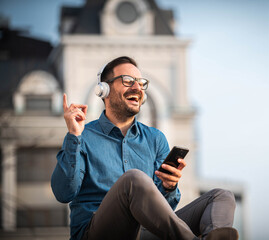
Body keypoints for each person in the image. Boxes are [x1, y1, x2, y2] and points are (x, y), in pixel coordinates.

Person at [51, 56, 238, 240]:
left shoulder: (155, 139)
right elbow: (63, 193)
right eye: (128, 81)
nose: (137, 88)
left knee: (221, 197)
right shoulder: (82, 136)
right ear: (104, 90)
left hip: (144, 232)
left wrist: (169, 186)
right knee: (133, 179)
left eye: (141, 83)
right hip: (96, 232)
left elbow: (164, 211)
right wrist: (74, 136)